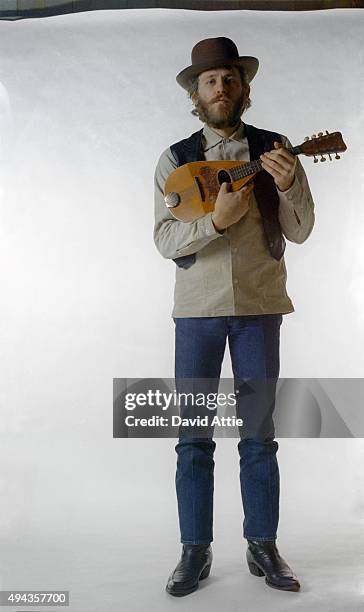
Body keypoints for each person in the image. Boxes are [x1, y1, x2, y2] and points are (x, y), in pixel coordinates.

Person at [153, 36, 315, 597]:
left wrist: (291, 183)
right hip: (197, 313)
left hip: (260, 310)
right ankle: (194, 550)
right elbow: (165, 239)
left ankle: (262, 545)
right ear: (195, 94)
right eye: (209, 81)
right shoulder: (175, 160)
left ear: (244, 88)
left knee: (260, 435)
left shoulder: (278, 150)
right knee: (192, 437)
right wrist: (215, 223)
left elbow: (300, 230)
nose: (220, 88)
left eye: (229, 78)